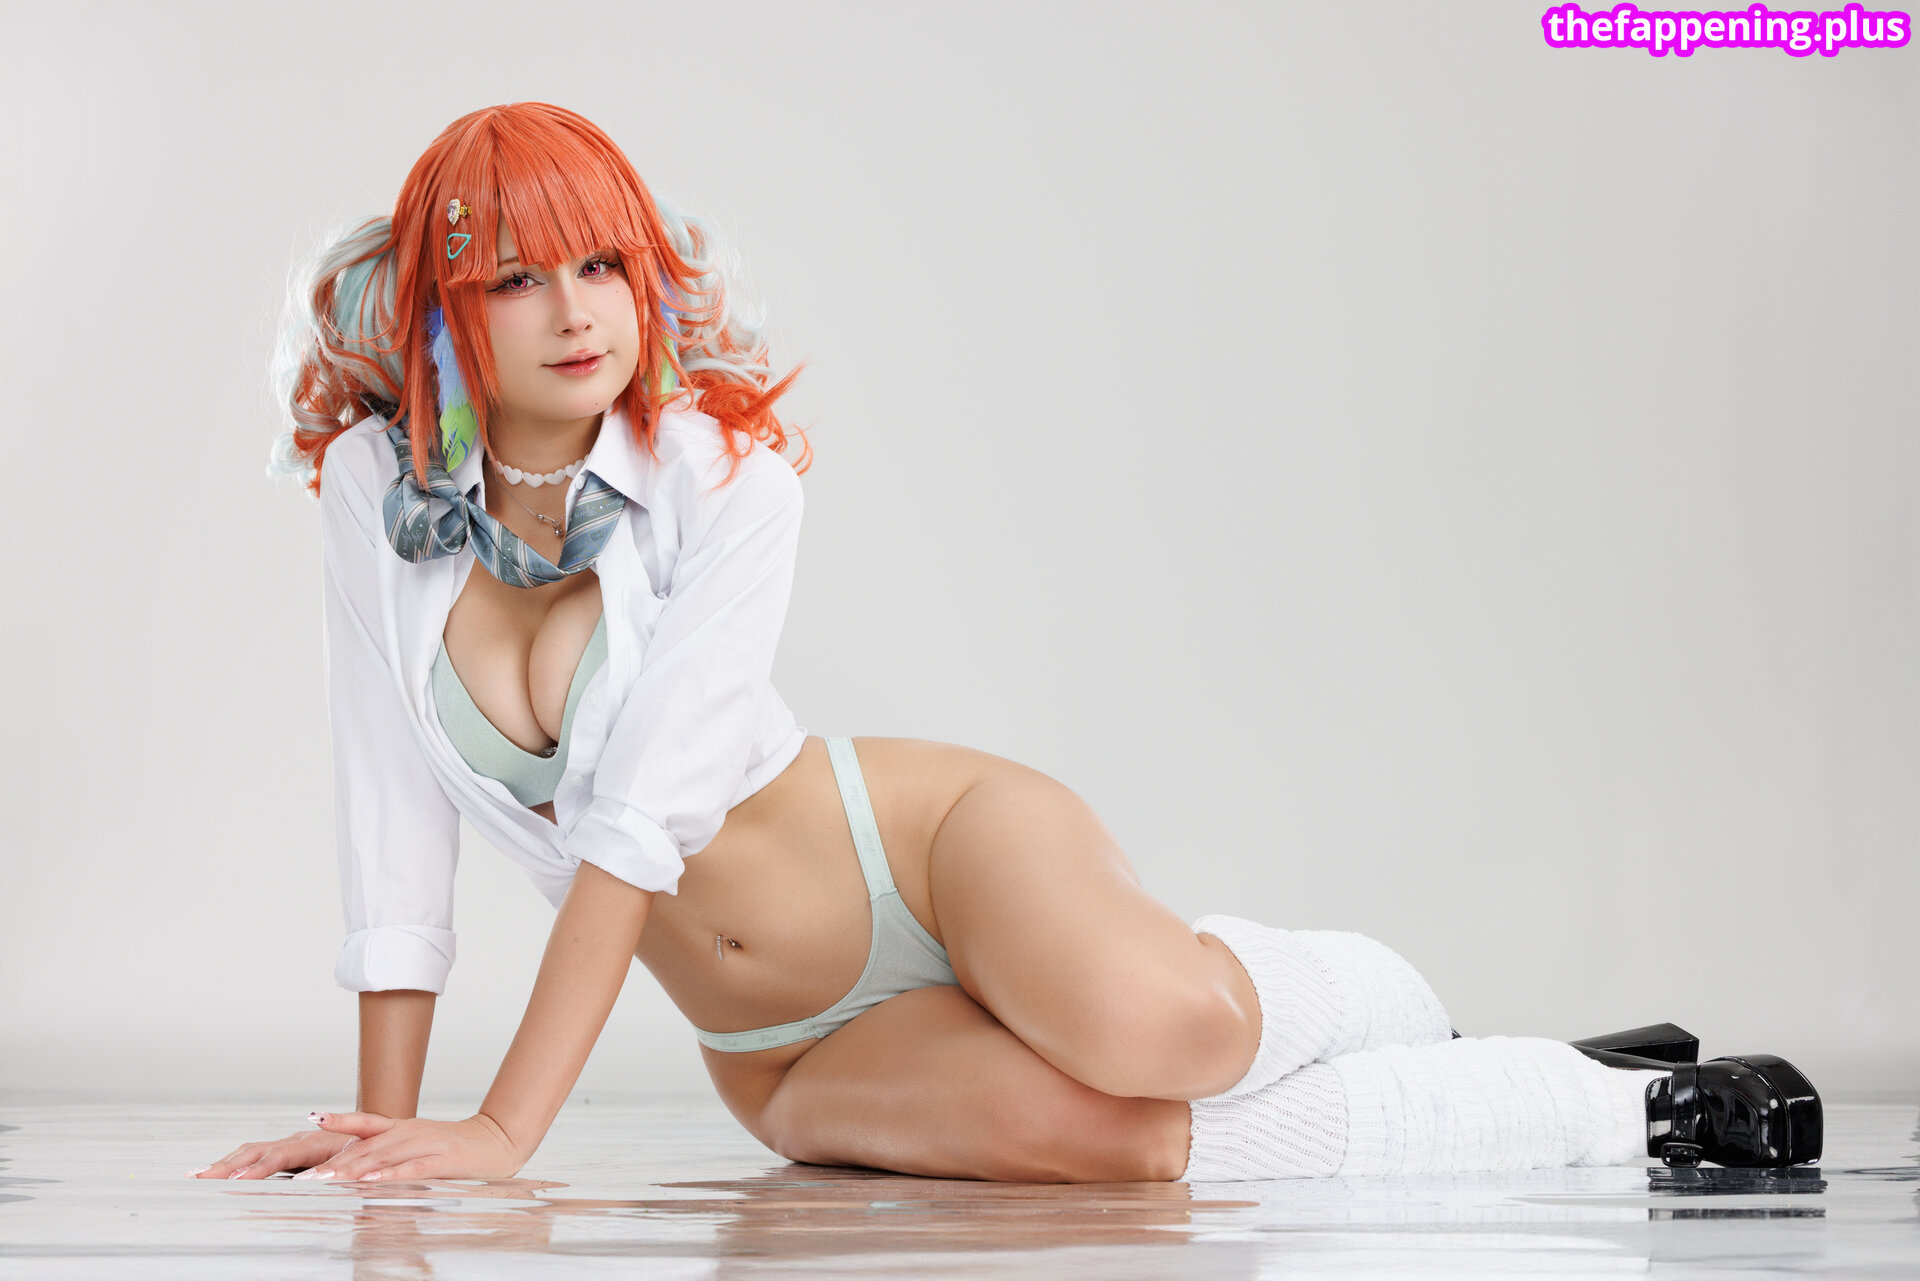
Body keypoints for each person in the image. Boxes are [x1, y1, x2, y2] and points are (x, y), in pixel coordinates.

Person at [191, 102, 1820, 1187]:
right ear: (441, 305)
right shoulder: (373, 492)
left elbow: (637, 819)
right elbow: (389, 823)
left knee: (1167, 1035)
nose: (579, 310)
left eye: (605, 261)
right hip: (780, 1048)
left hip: (920, 846)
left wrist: (504, 1127)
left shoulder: (724, 473)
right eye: (518, 275)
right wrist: (383, 1135)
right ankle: (1557, 1089)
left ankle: (1450, 1037)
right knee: (1125, 1144)